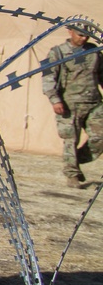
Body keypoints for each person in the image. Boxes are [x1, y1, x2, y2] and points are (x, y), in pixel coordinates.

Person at [42, 23, 103, 189]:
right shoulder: (58, 52)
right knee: (70, 140)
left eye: (86, 36)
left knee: (100, 137)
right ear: (70, 32)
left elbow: (101, 75)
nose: (83, 38)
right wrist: (55, 100)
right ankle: (72, 174)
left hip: (94, 103)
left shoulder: (94, 51)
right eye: (80, 35)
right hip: (69, 104)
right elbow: (48, 77)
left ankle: (77, 161)